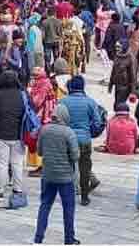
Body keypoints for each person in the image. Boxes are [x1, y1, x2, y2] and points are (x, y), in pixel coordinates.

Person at [34, 103, 79, 244]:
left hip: (47, 175)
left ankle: (38, 238)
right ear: (65, 117)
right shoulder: (68, 132)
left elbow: (39, 152)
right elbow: (75, 156)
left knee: (45, 205)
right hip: (65, 177)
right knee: (68, 208)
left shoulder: (44, 130)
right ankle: (69, 239)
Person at [59, 75, 101, 207]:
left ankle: (68, 195)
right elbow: (98, 122)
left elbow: (57, 119)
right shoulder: (90, 102)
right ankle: (84, 197)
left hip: (68, 138)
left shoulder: (63, 102)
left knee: (68, 168)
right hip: (84, 139)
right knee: (84, 168)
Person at [0, 69, 26, 205]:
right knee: (17, 163)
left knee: (1, 163)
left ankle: (0, 190)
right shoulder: (22, 94)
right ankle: (18, 189)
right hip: (18, 133)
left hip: (0, 133)